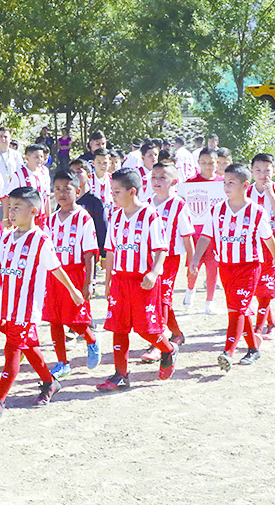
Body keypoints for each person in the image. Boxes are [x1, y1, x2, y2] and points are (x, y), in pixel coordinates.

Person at [0, 186, 85, 418]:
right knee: (29, 347)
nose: (11, 212)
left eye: (17, 208)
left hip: (27, 308)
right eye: (10, 207)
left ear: (34, 211)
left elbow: (56, 269)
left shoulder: (41, 240)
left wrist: (74, 291)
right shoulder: (7, 237)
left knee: (11, 349)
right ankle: (50, 383)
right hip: (9, 306)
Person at [190, 164, 275, 370]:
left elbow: (269, 238)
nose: (226, 187)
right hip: (226, 267)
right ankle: (253, 349)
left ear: (245, 185)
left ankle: (228, 352)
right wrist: (196, 258)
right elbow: (206, 235)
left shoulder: (256, 212)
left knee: (235, 310)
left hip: (249, 267)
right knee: (240, 309)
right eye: (224, 183)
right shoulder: (216, 210)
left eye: (231, 183)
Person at [97, 168, 179, 392]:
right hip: (121, 280)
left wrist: (153, 273)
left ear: (131, 191)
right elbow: (111, 251)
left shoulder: (149, 215)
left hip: (142, 281)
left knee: (146, 329)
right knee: (118, 327)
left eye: (116, 191)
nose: (112, 196)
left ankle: (167, 348)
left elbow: (161, 249)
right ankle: (120, 374)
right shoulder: (115, 216)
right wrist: (108, 281)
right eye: (111, 191)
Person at [44, 170, 101, 378]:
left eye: (67, 189)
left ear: (77, 191)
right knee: (54, 319)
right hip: (54, 276)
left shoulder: (84, 218)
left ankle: (91, 340)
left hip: (76, 273)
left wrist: (89, 282)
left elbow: (89, 254)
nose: (61, 193)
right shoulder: (50, 220)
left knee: (74, 318)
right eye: (57, 189)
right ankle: (62, 362)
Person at [141, 162, 194, 363]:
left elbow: (187, 235)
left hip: (170, 258)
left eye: (163, 177)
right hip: (149, 259)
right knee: (157, 297)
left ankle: (158, 342)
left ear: (174, 181)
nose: (157, 181)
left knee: (161, 297)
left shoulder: (179, 204)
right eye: (154, 177)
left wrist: (191, 262)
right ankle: (176, 334)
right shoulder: (146, 203)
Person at [246, 153, 275, 339]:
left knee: (266, 288)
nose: (262, 174)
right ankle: (272, 324)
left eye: (267, 170)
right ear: (251, 172)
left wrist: (270, 194)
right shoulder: (246, 191)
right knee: (257, 288)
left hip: (272, 245)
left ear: (274, 170)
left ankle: (258, 329)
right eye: (258, 170)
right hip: (251, 246)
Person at [183, 147, 223, 313]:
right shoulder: (190, 183)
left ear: (217, 163)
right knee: (194, 264)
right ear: (198, 163)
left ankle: (209, 301)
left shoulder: (222, 183)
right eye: (204, 163)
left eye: (211, 163)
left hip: (214, 235)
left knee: (213, 268)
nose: (207, 166)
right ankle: (190, 290)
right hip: (195, 234)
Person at [1, 143, 51, 228]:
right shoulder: (19, 175)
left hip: (41, 219)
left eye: (41, 157)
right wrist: (6, 217)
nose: (40, 160)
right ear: (27, 158)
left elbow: (47, 196)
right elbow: (7, 197)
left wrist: (49, 218)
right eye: (36, 157)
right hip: (25, 219)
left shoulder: (44, 172)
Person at [90, 148, 113, 219]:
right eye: (99, 162)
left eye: (105, 163)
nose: (102, 166)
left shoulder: (114, 179)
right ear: (93, 163)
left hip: (110, 216)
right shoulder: (88, 179)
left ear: (110, 163)